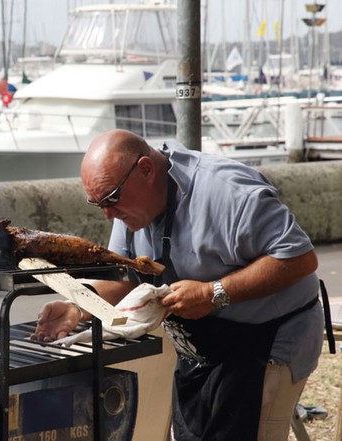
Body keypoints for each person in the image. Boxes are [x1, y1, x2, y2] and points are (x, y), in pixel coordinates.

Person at [31, 129, 325, 440]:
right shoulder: (124, 203)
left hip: (268, 339)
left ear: (145, 169)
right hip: (201, 347)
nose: (108, 214)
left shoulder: (228, 193)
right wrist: (79, 308)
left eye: (112, 199)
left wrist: (215, 293)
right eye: (98, 204)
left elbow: (299, 258)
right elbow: (126, 278)